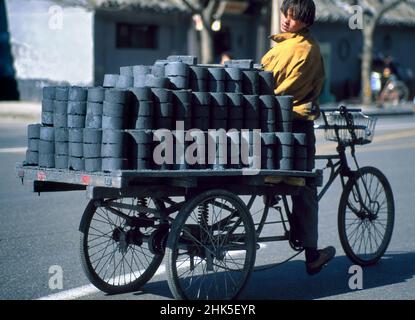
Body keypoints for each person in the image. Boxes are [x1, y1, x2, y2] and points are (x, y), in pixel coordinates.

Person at [261, 0, 335, 275]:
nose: (286, 20)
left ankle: (271, 191)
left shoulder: (283, 49)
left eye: (293, 17)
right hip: (296, 125)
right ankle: (312, 254)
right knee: (305, 187)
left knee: (277, 173)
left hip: (269, 123)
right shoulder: (307, 49)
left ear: (305, 21)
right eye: (285, 14)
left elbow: (264, 83)